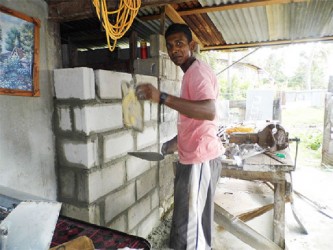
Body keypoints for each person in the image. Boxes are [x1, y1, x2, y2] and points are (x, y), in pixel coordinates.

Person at [135, 23, 224, 250]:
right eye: (170, 45)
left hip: (200, 161)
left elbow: (208, 110)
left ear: (191, 45)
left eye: (179, 44)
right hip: (192, 159)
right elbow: (194, 122)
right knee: (185, 223)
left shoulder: (197, 73)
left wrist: (161, 96)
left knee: (194, 234)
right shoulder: (190, 74)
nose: (175, 50)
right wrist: (169, 146)